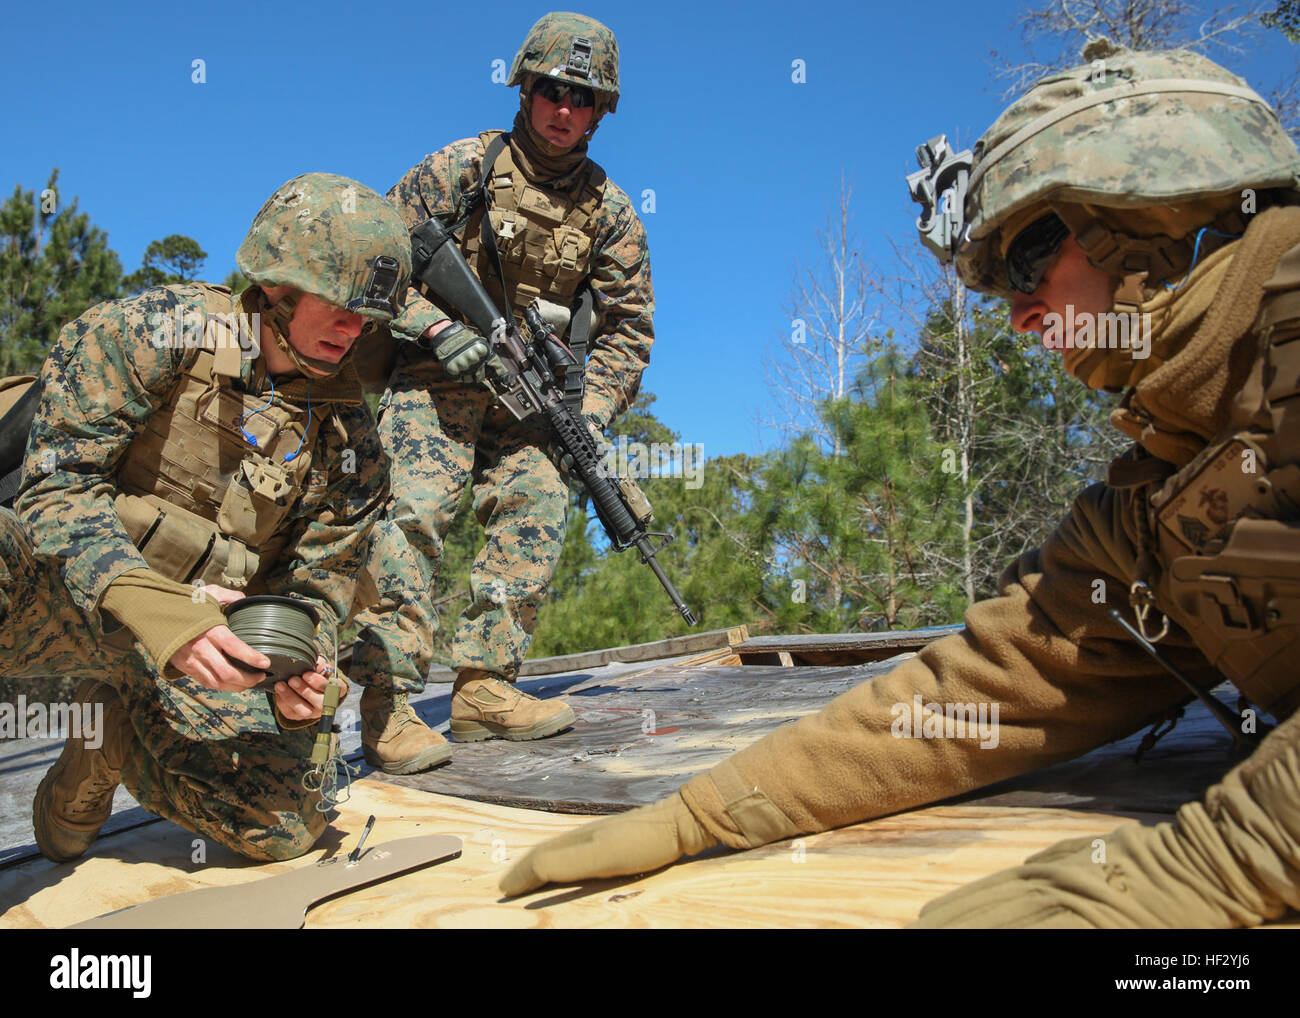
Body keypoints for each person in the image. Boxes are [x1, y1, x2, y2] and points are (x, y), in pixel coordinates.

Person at [497, 45, 1300, 928]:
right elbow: (983, 689)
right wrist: (711, 810)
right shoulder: (1161, 493)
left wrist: (1207, 877)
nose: (1021, 314)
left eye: (1031, 258)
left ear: (1160, 210)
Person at [1, 172, 411, 862]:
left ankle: (104, 742)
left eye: (369, 316)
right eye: (340, 304)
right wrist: (165, 613)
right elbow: (53, 490)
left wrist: (304, 680)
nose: (355, 329)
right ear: (278, 286)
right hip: (56, 599)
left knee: (280, 823)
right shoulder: (154, 332)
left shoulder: (351, 446)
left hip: (207, 652)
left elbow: (316, 596)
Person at [350, 11, 654, 773]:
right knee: (415, 508)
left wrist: (584, 414)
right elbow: (373, 261)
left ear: (601, 111)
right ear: (524, 87)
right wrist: (431, 328)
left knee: (543, 501)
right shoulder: (464, 168)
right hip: (438, 375)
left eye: (583, 99)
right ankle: (386, 706)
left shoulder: (612, 215)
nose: (564, 109)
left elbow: (628, 332)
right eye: (552, 89)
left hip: (535, 401)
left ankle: (485, 687)